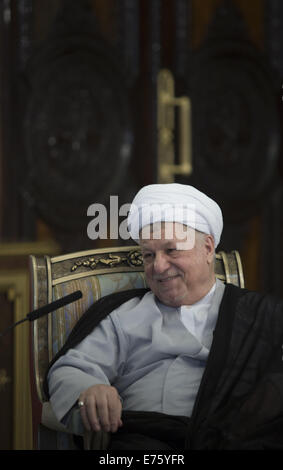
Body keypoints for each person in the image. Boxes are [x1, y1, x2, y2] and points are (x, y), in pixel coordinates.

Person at [46, 183, 283, 450]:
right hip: (145, 444)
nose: (158, 266)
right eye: (148, 255)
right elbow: (70, 369)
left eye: (171, 250)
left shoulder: (255, 316)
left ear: (207, 248)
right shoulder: (124, 316)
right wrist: (88, 390)